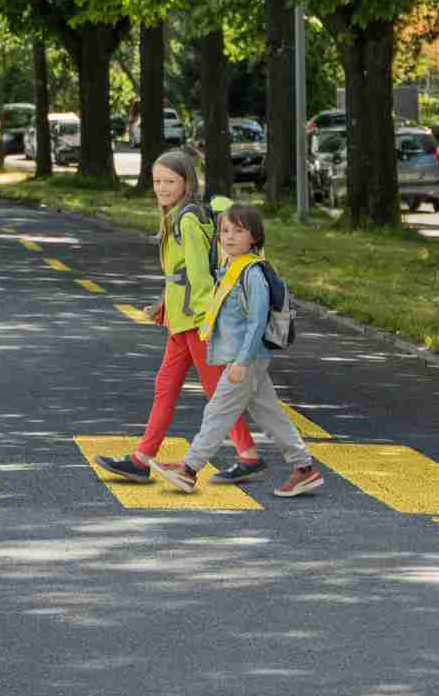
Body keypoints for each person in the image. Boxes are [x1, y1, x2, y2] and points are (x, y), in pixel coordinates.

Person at [95, 150, 263, 483]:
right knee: (168, 387)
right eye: (157, 181)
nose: (162, 187)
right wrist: (163, 305)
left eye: (170, 181)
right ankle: (143, 459)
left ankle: (248, 456)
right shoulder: (176, 215)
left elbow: (199, 277)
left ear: (186, 182)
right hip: (180, 322)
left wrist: (205, 322)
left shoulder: (186, 219)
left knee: (217, 392)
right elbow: (178, 274)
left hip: (196, 323)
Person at [147, 203, 323, 497]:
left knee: (217, 412)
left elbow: (256, 322)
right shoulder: (230, 267)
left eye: (238, 231)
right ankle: (305, 469)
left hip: (246, 359)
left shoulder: (252, 273)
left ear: (254, 237)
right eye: (225, 231)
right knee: (270, 417)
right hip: (244, 358)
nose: (229, 237)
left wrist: (242, 361)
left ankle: (189, 470)